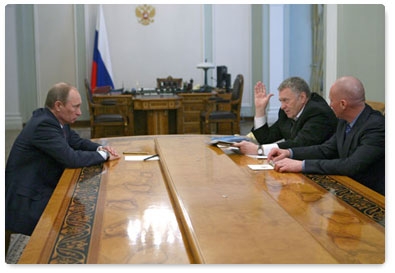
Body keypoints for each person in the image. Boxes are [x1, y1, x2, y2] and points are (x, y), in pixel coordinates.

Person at [5, 82, 121, 251]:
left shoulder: (56, 120)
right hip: (26, 196)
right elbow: (71, 158)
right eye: (75, 107)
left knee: (83, 207)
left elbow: (77, 142)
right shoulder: (44, 124)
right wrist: (104, 156)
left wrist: (100, 148)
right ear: (58, 105)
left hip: (41, 182)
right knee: (75, 218)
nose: (80, 112)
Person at [267, 76, 385, 195]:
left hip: (373, 197)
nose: (330, 105)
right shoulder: (343, 121)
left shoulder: (377, 127)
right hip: (347, 188)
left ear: (343, 104)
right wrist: (289, 152)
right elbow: (326, 149)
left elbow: (351, 165)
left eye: (332, 100)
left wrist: (301, 165)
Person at [233, 77, 338, 156]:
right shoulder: (286, 112)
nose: (282, 106)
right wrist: (260, 109)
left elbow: (299, 145)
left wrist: (259, 150)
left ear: (302, 97)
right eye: (281, 101)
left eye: (286, 100)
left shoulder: (318, 113)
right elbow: (265, 138)